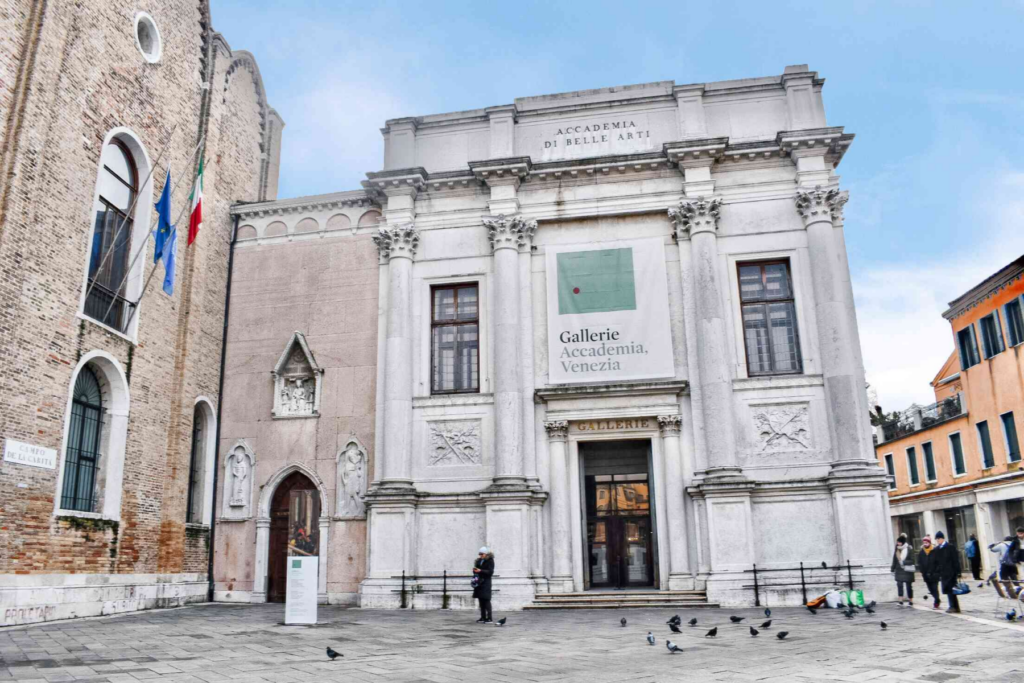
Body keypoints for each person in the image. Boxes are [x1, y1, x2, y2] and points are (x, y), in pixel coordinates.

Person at [931, 531, 962, 614]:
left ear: (942, 538)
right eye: (937, 539)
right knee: (949, 590)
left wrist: (958, 572)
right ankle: (955, 607)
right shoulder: (937, 549)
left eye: (938, 539)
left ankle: (953, 606)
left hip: (951, 572)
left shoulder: (950, 547)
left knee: (951, 590)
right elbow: (936, 562)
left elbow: (955, 560)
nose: (937, 540)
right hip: (943, 573)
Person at [890, 534, 915, 606]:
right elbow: (894, 560)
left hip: (907, 570)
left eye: (899, 542)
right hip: (899, 570)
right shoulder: (897, 549)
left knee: (909, 586)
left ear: (903, 542)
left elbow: (912, 560)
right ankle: (900, 600)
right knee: (899, 585)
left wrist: (904, 562)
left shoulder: (909, 549)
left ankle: (910, 600)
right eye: (897, 542)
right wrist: (892, 569)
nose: (898, 543)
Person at [917, 535, 941, 609]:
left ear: (929, 543)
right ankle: (937, 599)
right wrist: (922, 571)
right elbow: (919, 562)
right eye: (924, 542)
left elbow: (938, 562)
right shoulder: (921, 552)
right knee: (930, 589)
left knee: (935, 588)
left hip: (934, 574)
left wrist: (937, 571)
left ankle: (936, 602)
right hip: (926, 574)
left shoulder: (934, 551)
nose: (925, 544)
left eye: (926, 542)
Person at [473, 546, 495, 623]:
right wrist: (475, 570)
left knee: (486, 600)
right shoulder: (479, 561)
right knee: (481, 600)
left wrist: (480, 571)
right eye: (479, 554)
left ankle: (489, 618)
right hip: (479, 582)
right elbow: (477, 570)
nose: (480, 555)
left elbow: (490, 572)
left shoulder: (490, 561)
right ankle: (483, 617)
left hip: (486, 583)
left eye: (482, 554)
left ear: (486, 554)